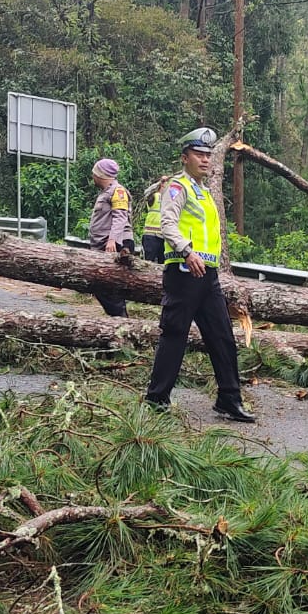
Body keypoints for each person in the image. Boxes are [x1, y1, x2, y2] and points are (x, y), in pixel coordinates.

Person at [142, 128, 254, 423]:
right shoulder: (178, 188)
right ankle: (156, 399)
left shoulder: (204, 193)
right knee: (175, 335)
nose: (205, 160)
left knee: (222, 336)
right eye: (199, 155)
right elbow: (167, 224)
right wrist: (187, 251)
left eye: (208, 155)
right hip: (183, 271)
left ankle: (229, 400)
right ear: (185, 158)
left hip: (208, 276)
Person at [88, 157, 133, 317]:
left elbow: (120, 217)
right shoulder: (106, 193)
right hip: (105, 244)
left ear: (101, 174)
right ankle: (119, 319)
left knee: (105, 286)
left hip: (114, 245)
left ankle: (122, 320)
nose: (92, 176)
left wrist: (113, 240)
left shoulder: (117, 191)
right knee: (104, 286)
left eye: (94, 173)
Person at [137, 176, 168, 264]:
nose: (166, 184)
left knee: (163, 264)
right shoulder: (154, 196)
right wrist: (159, 182)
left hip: (164, 237)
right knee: (148, 263)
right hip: (151, 236)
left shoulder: (170, 198)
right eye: (164, 182)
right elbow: (146, 192)